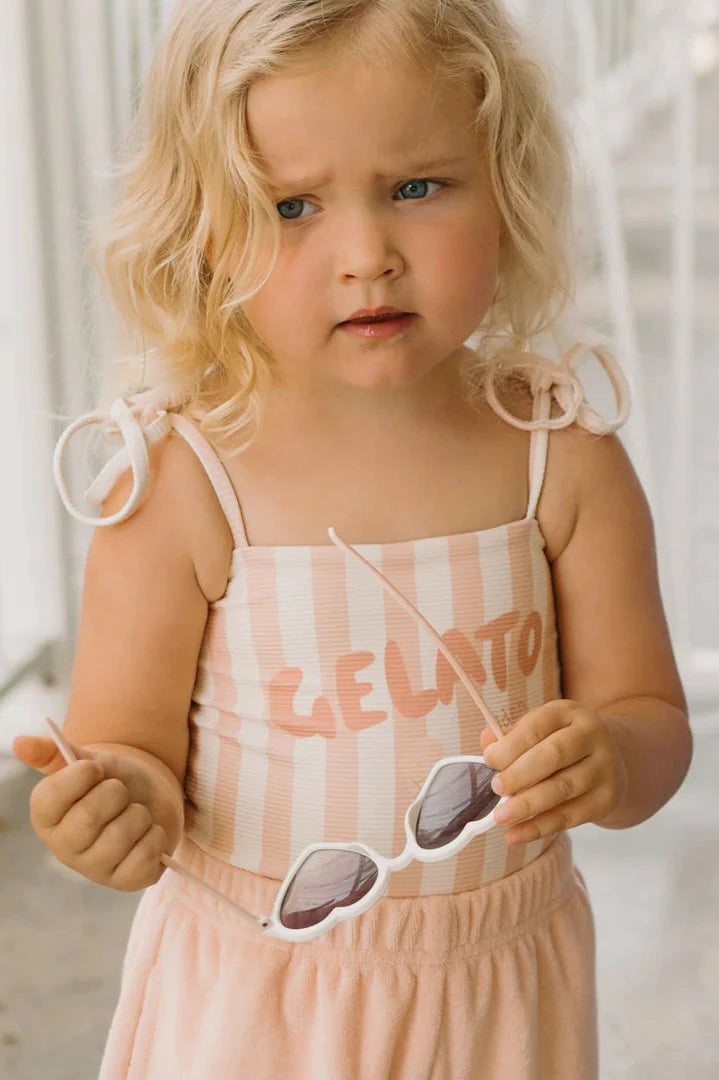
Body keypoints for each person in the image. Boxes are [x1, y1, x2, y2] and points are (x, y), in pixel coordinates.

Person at [13, 1, 692, 1076]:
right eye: (288, 206)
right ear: (198, 227)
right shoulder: (184, 482)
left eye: (416, 189)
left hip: (499, 993)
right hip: (256, 1001)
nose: (366, 255)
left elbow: (651, 721)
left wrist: (606, 758)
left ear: (505, 185)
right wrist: (113, 809)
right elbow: (128, 750)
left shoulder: (557, 454)